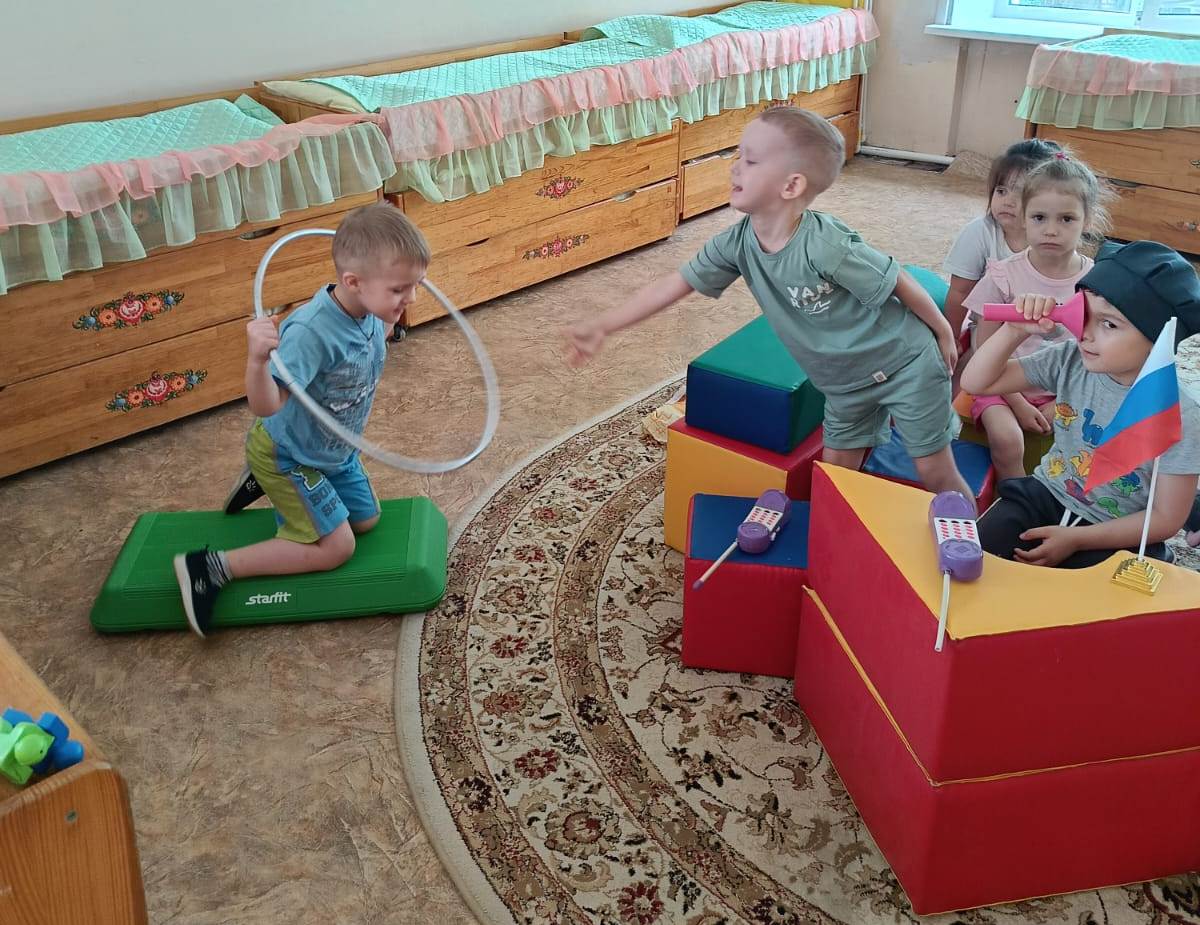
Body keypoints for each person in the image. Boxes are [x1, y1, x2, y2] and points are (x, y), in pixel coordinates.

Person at [565, 106, 972, 502]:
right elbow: (674, 285)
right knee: (835, 479)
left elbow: (897, 279)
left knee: (933, 471)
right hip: (845, 387)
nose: (735, 168)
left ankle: (975, 537)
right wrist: (604, 325)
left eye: (751, 160)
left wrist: (942, 330)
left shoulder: (825, 244)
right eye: (738, 155)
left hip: (905, 363)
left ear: (791, 186)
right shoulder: (736, 243)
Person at [174, 203, 430, 636]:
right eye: (400, 289)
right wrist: (257, 361)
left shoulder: (374, 313)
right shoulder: (310, 333)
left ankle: (261, 485)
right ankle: (211, 567)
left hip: (333, 450)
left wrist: (390, 306)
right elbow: (267, 404)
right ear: (353, 282)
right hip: (289, 453)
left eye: (416, 285)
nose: (412, 300)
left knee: (366, 521)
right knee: (337, 547)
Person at [961, 240, 1200, 568]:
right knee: (974, 558)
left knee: (1093, 597)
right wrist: (1014, 331)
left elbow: (1165, 519)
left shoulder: (1181, 415)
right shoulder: (1070, 359)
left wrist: (1077, 539)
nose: (1084, 333)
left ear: (1159, 339)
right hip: (1046, 494)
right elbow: (976, 383)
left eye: (1109, 324)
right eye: (1085, 313)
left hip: (1119, 530)